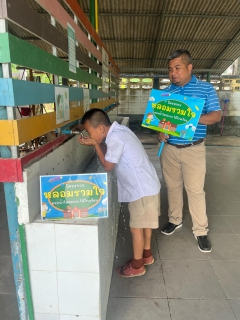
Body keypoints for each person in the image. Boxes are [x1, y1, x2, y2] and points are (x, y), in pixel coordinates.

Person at [78, 108, 160, 277]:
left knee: (136, 227)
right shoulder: (120, 131)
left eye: (89, 131)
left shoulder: (115, 137)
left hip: (141, 190)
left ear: (100, 128)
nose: (89, 134)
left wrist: (95, 144)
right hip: (148, 185)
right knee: (145, 223)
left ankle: (137, 266)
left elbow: (108, 166)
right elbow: (111, 149)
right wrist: (97, 143)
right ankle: (147, 255)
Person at [158, 49, 221, 253]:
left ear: (189, 67)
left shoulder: (205, 89)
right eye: (170, 69)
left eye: (177, 68)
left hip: (193, 149)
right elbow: (161, 121)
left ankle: (200, 231)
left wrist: (190, 118)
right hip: (169, 149)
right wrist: (161, 132)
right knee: (173, 187)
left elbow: (216, 116)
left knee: (195, 191)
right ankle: (175, 220)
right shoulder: (168, 93)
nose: (173, 73)